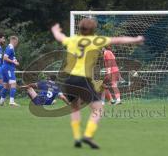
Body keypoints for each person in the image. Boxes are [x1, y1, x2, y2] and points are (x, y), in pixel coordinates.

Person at [51, 18, 144, 149]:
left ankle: (77, 137)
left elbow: (60, 37)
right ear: (93, 29)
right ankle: (88, 135)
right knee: (98, 109)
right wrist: (135, 39)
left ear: (80, 28)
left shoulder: (72, 40)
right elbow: (118, 40)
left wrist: (55, 30)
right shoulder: (95, 40)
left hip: (68, 79)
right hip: (83, 79)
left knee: (74, 108)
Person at [0, 36, 20, 107]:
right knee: (13, 84)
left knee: (6, 86)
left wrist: (15, 61)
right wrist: (13, 62)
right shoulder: (10, 48)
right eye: (17, 41)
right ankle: (11, 102)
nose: (17, 43)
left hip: (4, 68)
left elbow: (10, 58)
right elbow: (5, 58)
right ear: (14, 41)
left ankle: (1, 101)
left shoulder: (10, 48)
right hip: (8, 68)